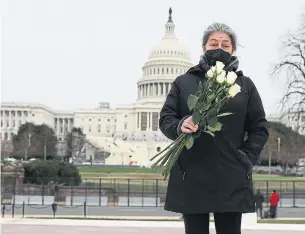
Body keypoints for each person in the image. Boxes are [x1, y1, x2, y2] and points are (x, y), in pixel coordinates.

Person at [159, 22, 269, 234]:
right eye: (213, 43)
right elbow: (166, 119)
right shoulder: (184, 82)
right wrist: (181, 125)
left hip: (231, 173)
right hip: (192, 173)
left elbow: (259, 128)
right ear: (203, 47)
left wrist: (246, 158)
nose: (219, 48)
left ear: (233, 50)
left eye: (225, 44)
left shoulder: (245, 86)